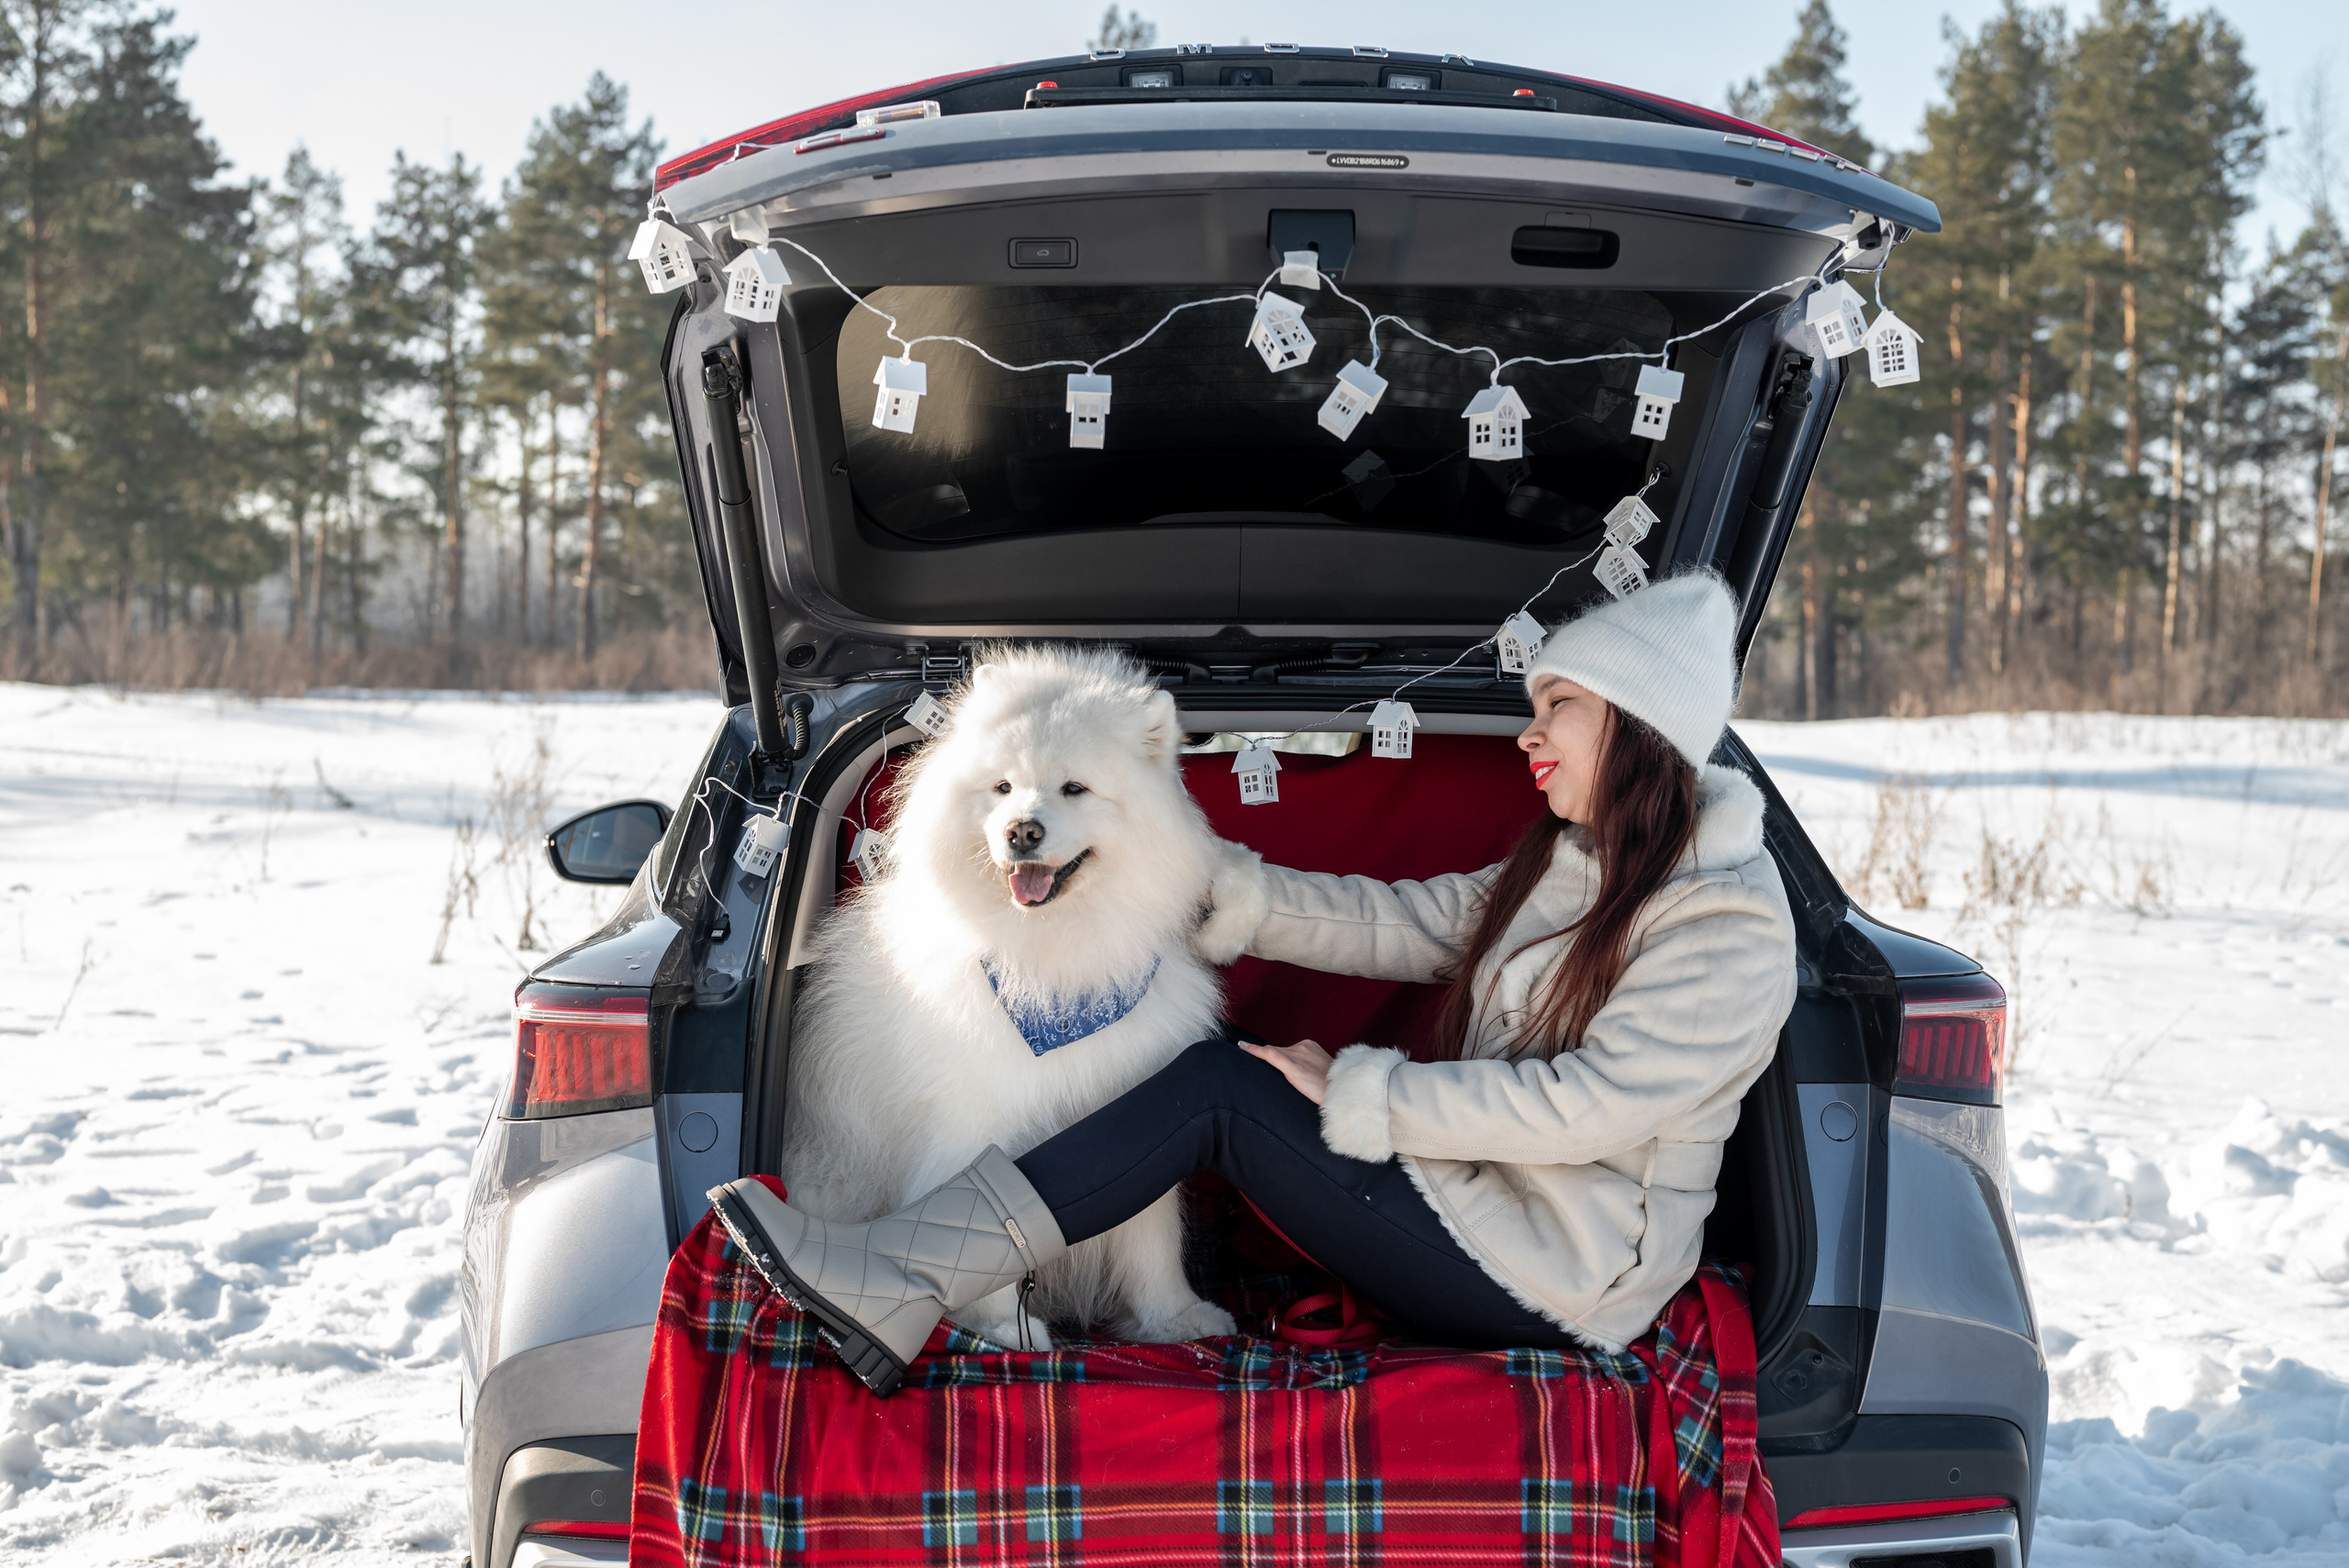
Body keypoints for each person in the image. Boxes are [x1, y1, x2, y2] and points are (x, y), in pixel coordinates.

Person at [711, 572, 1798, 1396]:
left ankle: (898, 1277)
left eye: (1558, 703)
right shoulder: (1579, 861)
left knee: (1220, 1089)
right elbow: (1412, 921)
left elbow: (1593, 1106)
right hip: (1475, 1204)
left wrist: (1365, 1092)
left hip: (1558, 1274)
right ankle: (912, 1275)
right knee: (1223, 1084)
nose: (1529, 730)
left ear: (1637, 723)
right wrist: (1214, 887)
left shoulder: (1724, 918)